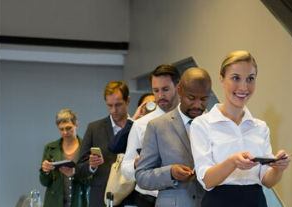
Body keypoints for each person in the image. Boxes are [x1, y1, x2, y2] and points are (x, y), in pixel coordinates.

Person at [189, 50, 292, 207]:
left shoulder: (260, 127)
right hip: (218, 202)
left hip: (255, 201)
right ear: (222, 80)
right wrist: (232, 162)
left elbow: (267, 181)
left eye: (250, 79)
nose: (244, 87)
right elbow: (207, 180)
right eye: (236, 78)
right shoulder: (202, 124)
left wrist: (278, 169)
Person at [135, 68, 212, 207]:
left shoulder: (217, 125)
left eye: (204, 99)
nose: (197, 105)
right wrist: (170, 173)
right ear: (179, 90)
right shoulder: (157, 126)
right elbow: (142, 176)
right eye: (191, 98)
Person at [121, 64, 180, 207]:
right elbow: (125, 168)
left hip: (182, 197)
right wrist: (135, 164)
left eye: (165, 89)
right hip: (148, 199)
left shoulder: (194, 121)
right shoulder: (141, 125)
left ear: (178, 87)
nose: (160, 96)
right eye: (156, 90)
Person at [76, 81, 132, 207]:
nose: (114, 110)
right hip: (100, 198)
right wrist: (91, 165)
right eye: (109, 105)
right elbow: (79, 169)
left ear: (128, 101)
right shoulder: (94, 128)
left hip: (130, 197)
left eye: (118, 105)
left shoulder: (137, 127)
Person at [40, 109, 90, 207]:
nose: (65, 132)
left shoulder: (87, 148)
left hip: (80, 202)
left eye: (68, 128)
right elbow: (44, 182)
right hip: (54, 203)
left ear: (77, 125)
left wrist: (75, 173)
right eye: (61, 129)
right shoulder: (50, 148)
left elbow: (92, 180)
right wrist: (45, 171)